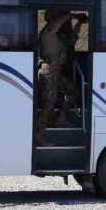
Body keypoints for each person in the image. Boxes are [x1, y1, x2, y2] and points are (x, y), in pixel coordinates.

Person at [35, 10, 86, 146]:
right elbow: (61, 19)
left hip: (56, 72)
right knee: (48, 104)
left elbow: (72, 40)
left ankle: (61, 119)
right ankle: (39, 134)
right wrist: (75, 16)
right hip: (49, 71)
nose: (65, 23)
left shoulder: (58, 35)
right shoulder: (48, 32)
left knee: (73, 90)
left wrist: (79, 24)